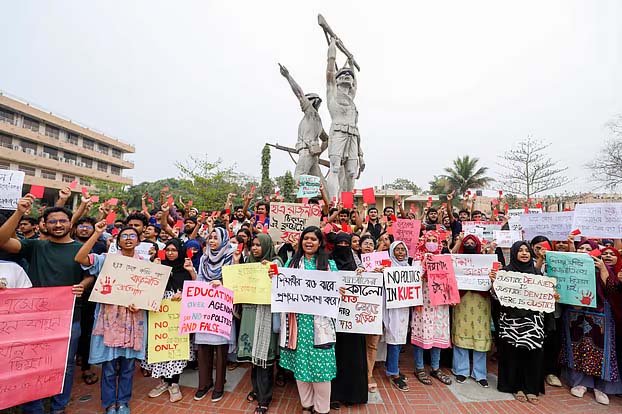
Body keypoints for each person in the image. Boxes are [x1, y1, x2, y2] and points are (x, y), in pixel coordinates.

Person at [0, 196, 93, 414]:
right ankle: (35, 405)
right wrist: (19, 212)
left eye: (62, 221)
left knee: (66, 365)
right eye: (53, 221)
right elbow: (2, 240)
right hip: (33, 319)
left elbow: (93, 274)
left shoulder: (81, 249)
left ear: (71, 224)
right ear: (44, 224)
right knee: (32, 363)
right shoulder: (35, 246)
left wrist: (83, 284)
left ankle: (59, 406)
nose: (58, 225)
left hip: (71, 318)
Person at [74, 222, 147, 414]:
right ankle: (109, 403)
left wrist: (141, 302)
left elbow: (149, 295)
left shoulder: (146, 265)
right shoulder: (106, 259)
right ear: (118, 241)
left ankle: (123, 402)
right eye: (125, 236)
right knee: (109, 367)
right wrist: (97, 233)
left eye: (133, 236)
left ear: (139, 241)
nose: (129, 238)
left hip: (134, 320)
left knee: (129, 366)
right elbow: (80, 257)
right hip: (110, 320)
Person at [274, 226, 338, 414]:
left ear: (320, 243)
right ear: (301, 242)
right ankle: (307, 405)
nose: (309, 242)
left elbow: (335, 290)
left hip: (321, 327)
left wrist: (339, 289)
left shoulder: (329, 264)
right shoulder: (292, 264)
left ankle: (322, 408)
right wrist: (274, 276)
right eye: (305, 238)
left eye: (313, 239)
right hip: (298, 325)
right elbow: (281, 287)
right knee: (301, 368)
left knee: (322, 370)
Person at [559, 240, 622, 405]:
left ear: (595, 252)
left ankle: (601, 386)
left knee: (601, 349)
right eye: (582, 248)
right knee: (578, 346)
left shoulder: (604, 268)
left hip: (600, 313)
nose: (585, 251)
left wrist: (602, 269)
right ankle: (580, 382)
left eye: (589, 249)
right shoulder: (569, 267)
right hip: (575, 311)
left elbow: (611, 290)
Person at [490, 241, 547, 404]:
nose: (524, 253)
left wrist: (551, 296)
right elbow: (496, 297)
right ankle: (516, 387)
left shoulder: (537, 273)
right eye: (520, 250)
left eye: (527, 251)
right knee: (513, 354)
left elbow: (543, 295)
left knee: (532, 354)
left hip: (533, 322)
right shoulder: (506, 272)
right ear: (514, 253)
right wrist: (495, 283)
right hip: (511, 322)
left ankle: (531, 388)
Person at [236, 234, 283, 414]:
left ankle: (265, 398)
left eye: (258, 245)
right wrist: (236, 262)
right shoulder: (248, 261)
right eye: (253, 245)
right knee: (253, 357)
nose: (255, 248)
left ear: (266, 245)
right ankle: (256, 390)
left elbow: (280, 279)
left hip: (265, 315)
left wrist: (270, 270)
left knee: (264, 357)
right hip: (250, 312)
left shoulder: (276, 261)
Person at [144, 239, 196, 403]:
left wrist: (184, 292)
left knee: (176, 347)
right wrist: (156, 270)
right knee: (161, 346)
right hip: (160, 313)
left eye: (174, 250)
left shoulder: (186, 269)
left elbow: (196, 290)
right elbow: (149, 287)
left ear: (180, 252)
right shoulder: (159, 267)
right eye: (168, 250)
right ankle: (163, 382)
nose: (171, 253)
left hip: (178, 313)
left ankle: (174, 383)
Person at [194, 227, 234, 403]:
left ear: (224, 240)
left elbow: (235, 281)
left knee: (220, 348)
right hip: (205, 308)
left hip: (221, 309)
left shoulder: (231, 258)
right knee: (203, 347)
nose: (211, 241)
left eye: (215, 238)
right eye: (210, 238)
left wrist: (223, 282)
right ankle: (204, 384)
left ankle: (219, 386)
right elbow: (200, 280)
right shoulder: (204, 258)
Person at [330, 232, 368, 408]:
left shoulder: (356, 263)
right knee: (334, 356)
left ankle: (353, 394)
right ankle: (334, 395)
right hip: (332, 319)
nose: (343, 246)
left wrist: (362, 274)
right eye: (340, 243)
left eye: (347, 243)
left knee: (353, 357)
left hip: (353, 321)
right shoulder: (328, 262)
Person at [410, 231, 453, 386]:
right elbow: (413, 278)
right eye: (429, 239)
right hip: (423, 301)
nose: (432, 242)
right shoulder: (417, 258)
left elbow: (450, 280)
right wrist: (423, 264)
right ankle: (419, 367)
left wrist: (451, 297)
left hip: (440, 303)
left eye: (435, 240)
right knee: (421, 333)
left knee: (437, 333)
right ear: (424, 241)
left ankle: (435, 367)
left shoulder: (443, 258)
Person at [451, 235, 492, 387]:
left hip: (482, 302)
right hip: (462, 301)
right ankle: (461, 371)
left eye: (472, 243)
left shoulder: (486, 261)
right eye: (466, 243)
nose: (469, 245)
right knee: (462, 334)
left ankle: (480, 373)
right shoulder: (457, 261)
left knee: (480, 336)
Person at [383, 241, 413, 391]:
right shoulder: (388, 267)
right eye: (397, 250)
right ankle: (393, 373)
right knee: (394, 338)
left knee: (400, 338)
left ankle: (391, 366)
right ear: (392, 252)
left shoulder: (409, 268)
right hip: (392, 309)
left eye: (403, 249)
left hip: (404, 308)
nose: (400, 252)